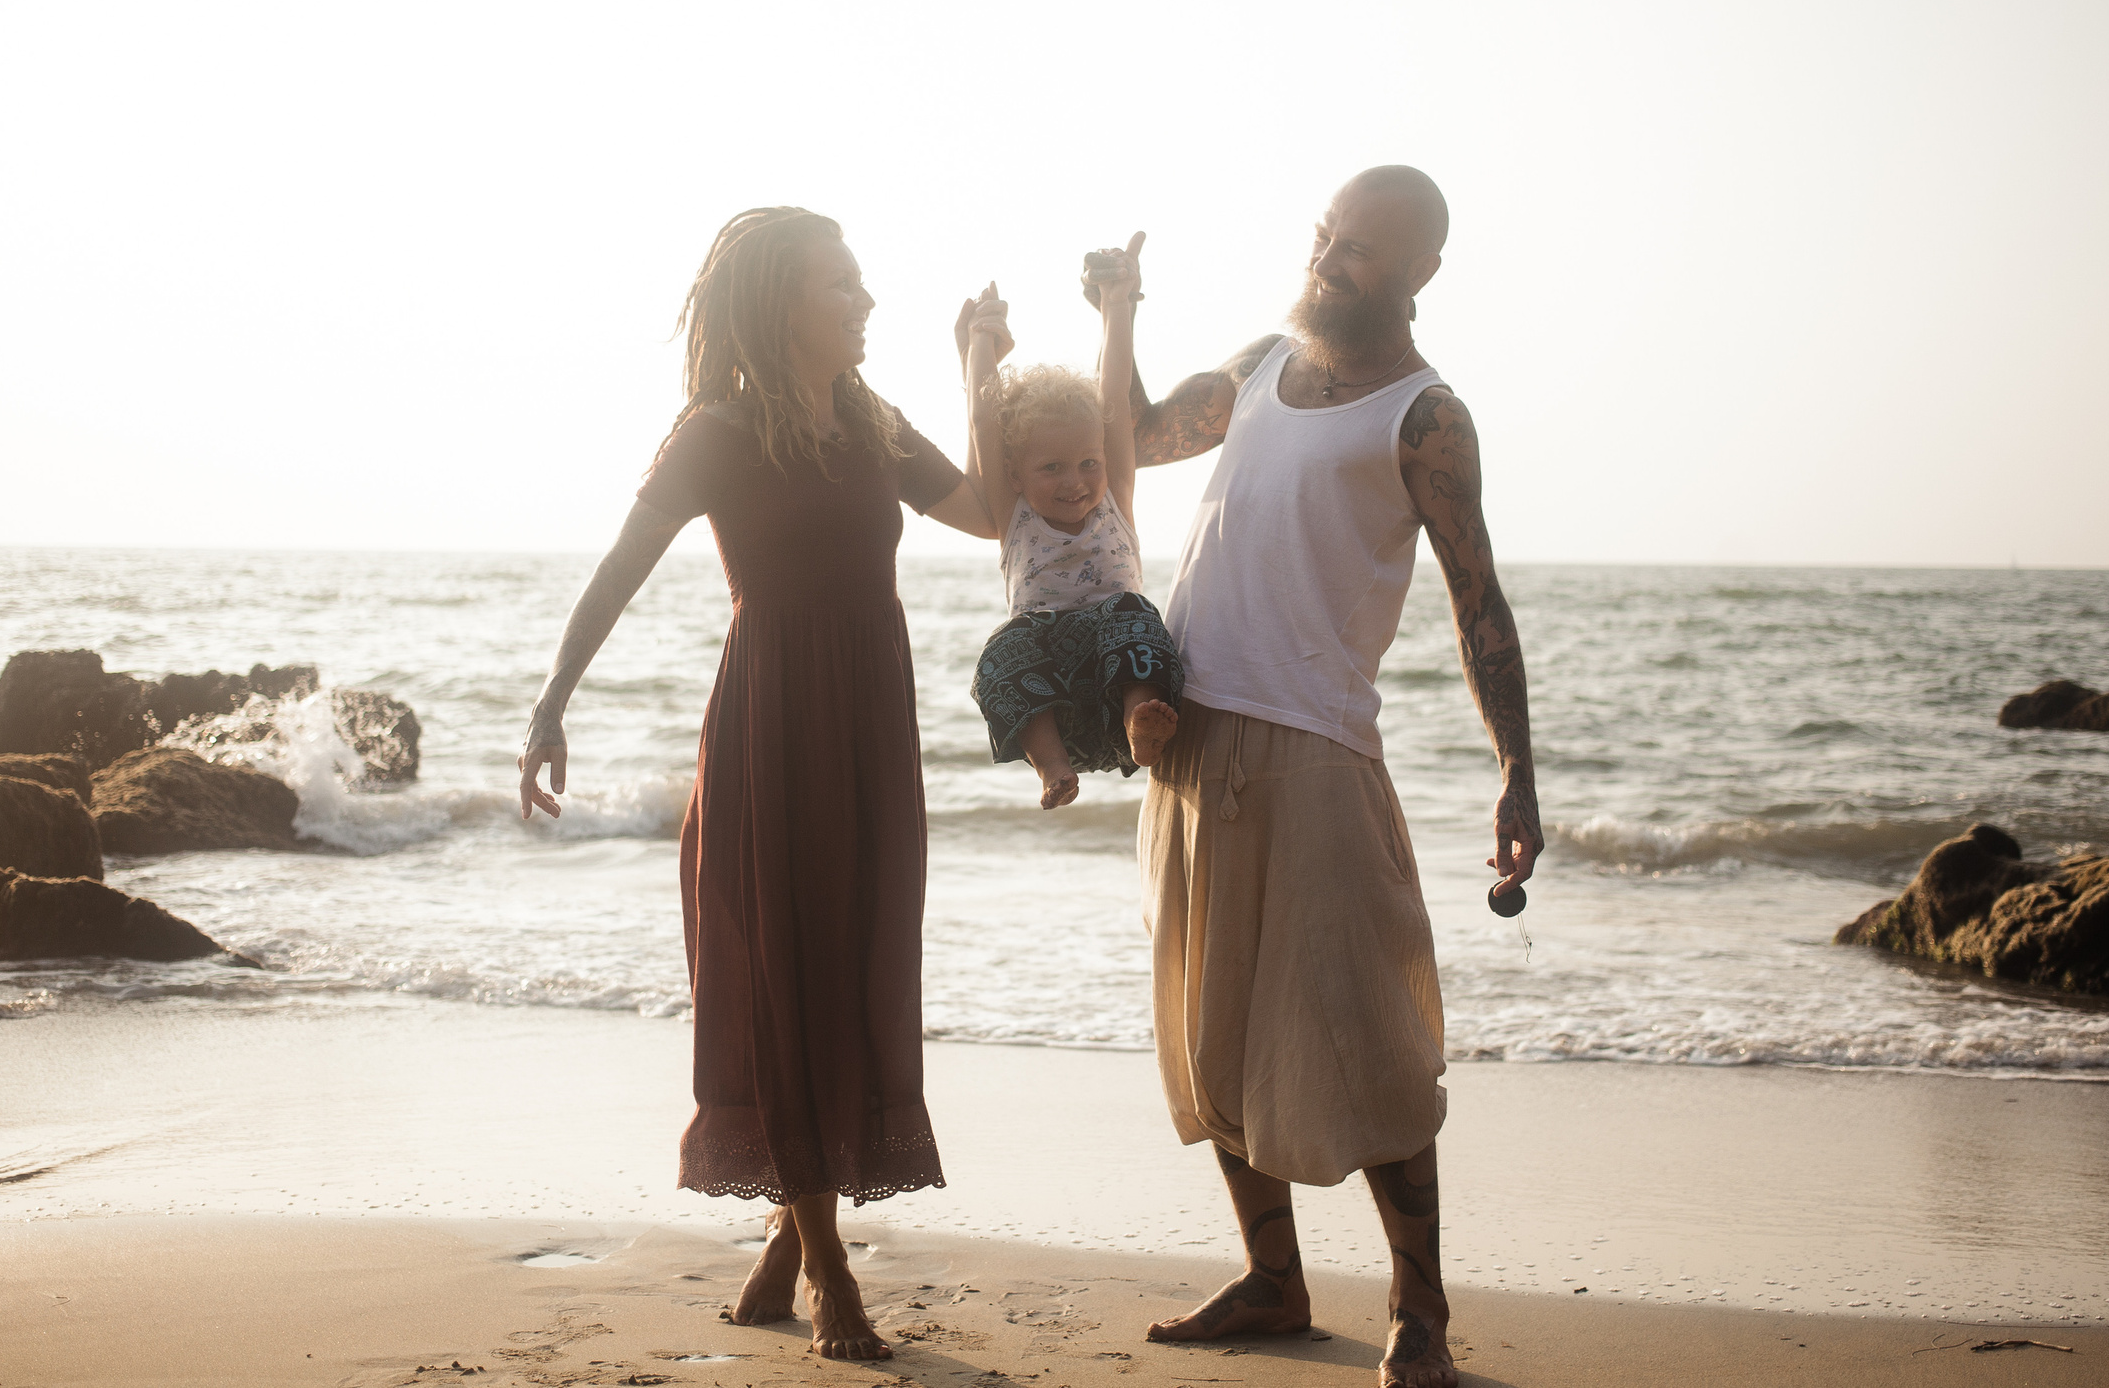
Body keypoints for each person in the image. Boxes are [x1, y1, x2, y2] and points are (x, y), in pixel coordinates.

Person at [516, 206, 1000, 1362]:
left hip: (871, 720)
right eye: (843, 285)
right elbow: (619, 571)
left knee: (852, 961)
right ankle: (830, 1267)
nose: (865, 302)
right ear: (783, 301)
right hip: (771, 722)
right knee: (785, 976)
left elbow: (989, 513)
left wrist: (979, 365)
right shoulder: (719, 431)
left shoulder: (873, 423)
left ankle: (787, 1245)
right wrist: (549, 702)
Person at [1116, 166, 1541, 1388]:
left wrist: (1513, 766)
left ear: (1418, 274)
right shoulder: (1258, 366)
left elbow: (1477, 598)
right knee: (1214, 1035)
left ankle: (1422, 1313)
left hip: (1316, 751)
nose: (1328, 259)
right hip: (1189, 742)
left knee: (1368, 1042)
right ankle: (1272, 1278)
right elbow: (1137, 436)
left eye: (1356, 249)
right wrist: (1118, 314)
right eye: (1324, 236)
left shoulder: (1424, 416)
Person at [953, 239, 1184, 809]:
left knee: (1132, 613)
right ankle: (1052, 768)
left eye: (1088, 463)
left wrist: (1116, 300)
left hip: (1117, 692)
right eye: (1051, 467)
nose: (1075, 481)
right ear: (1014, 473)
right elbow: (984, 416)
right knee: (1001, 652)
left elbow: (1114, 385)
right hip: (1052, 698)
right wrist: (981, 343)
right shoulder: (1016, 517)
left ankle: (1141, 722)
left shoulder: (1115, 498)